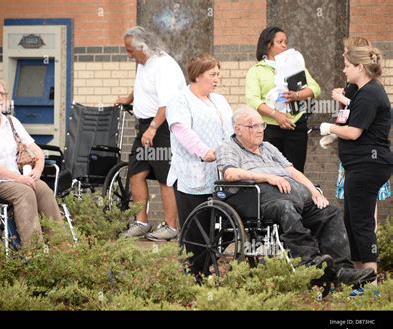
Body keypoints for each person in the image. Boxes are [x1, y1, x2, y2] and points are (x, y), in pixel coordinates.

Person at [216, 105, 376, 285]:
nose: (260, 130)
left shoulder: (268, 147)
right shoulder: (227, 147)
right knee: (286, 208)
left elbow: (293, 172)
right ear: (238, 129)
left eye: (262, 125)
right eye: (253, 126)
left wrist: (313, 191)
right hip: (260, 199)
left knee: (329, 211)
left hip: (296, 195)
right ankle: (310, 263)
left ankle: (342, 270)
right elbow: (230, 174)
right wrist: (268, 177)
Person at [319, 45, 393, 282]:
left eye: (347, 66)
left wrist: (329, 128)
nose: (344, 70)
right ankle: (359, 277)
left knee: (361, 224)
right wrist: (335, 135)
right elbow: (352, 125)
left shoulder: (370, 93)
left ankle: (370, 280)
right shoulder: (361, 92)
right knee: (351, 222)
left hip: (368, 165)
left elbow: (354, 133)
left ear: (360, 67)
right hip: (358, 166)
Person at [0, 79, 63, 247]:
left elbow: (36, 151)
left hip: (16, 177)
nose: (1, 98)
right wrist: (19, 179)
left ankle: (61, 246)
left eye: (3, 94)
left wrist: (37, 170)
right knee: (25, 192)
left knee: (43, 189)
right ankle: (33, 251)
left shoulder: (11, 122)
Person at [115, 26, 186, 240]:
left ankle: (171, 227)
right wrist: (129, 99)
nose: (129, 55)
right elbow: (143, 87)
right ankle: (141, 222)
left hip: (162, 128)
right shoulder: (144, 63)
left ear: (142, 47)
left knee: (165, 177)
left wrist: (153, 129)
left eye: (130, 50)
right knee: (136, 173)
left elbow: (166, 104)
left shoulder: (164, 66)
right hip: (147, 126)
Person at [166, 53, 233, 269]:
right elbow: (181, 130)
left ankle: (209, 268)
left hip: (219, 174)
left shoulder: (219, 100)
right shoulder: (180, 99)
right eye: (212, 74)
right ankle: (196, 274)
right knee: (196, 230)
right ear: (197, 76)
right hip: (191, 174)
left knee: (217, 229)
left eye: (218, 74)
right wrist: (204, 151)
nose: (217, 79)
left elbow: (230, 130)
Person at [245, 26, 321, 172]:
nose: (285, 45)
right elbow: (253, 100)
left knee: (296, 172)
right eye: (280, 42)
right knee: (271, 171)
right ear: (268, 44)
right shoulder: (256, 71)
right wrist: (276, 115)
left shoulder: (295, 66)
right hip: (269, 128)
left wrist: (296, 95)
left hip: (295, 126)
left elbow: (315, 89)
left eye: (286, 42)